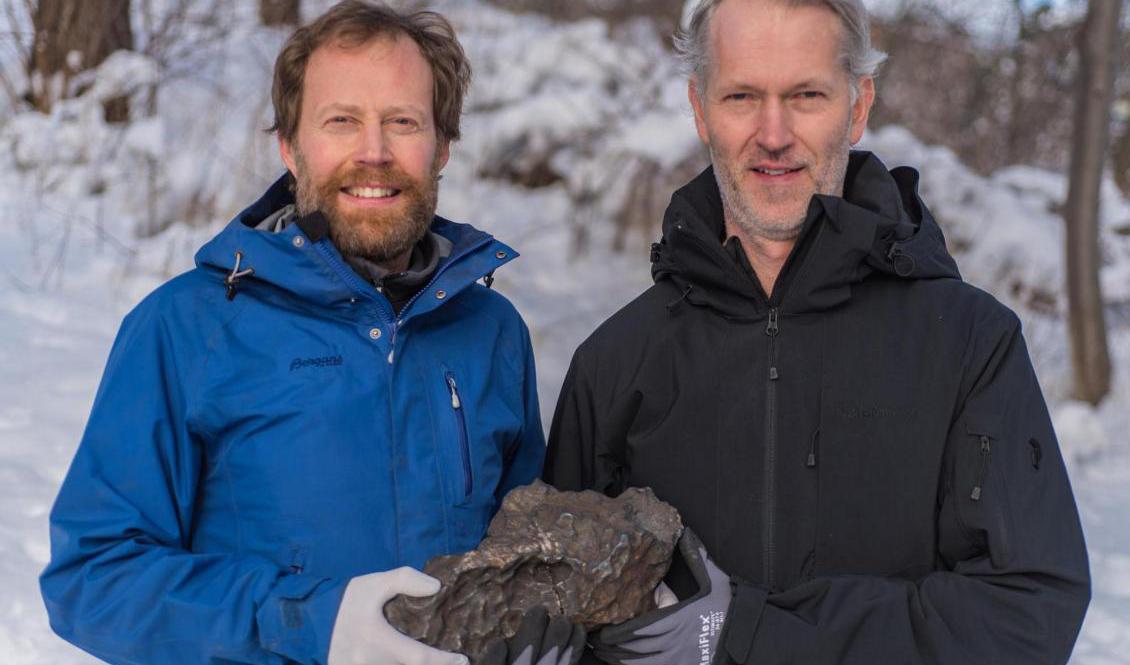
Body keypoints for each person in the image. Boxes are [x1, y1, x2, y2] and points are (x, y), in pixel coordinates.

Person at [543, 0, 1091, 664]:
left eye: (806, 95)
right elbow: (567, 611)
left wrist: (748, 632)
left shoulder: (969, 344)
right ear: (700, 109)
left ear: (858, 107)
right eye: (742, 95)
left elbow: (1027, 615)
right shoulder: (613, 364)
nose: (774, 135)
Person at [40, 3, 575, 664]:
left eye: (402, 122)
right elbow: (93, 579)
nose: (373, 152)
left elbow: (525, 549)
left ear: (441, 146)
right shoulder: (184, 329)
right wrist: (305, 622)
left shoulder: (489, 332)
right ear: (291, 147)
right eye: (341, 120)